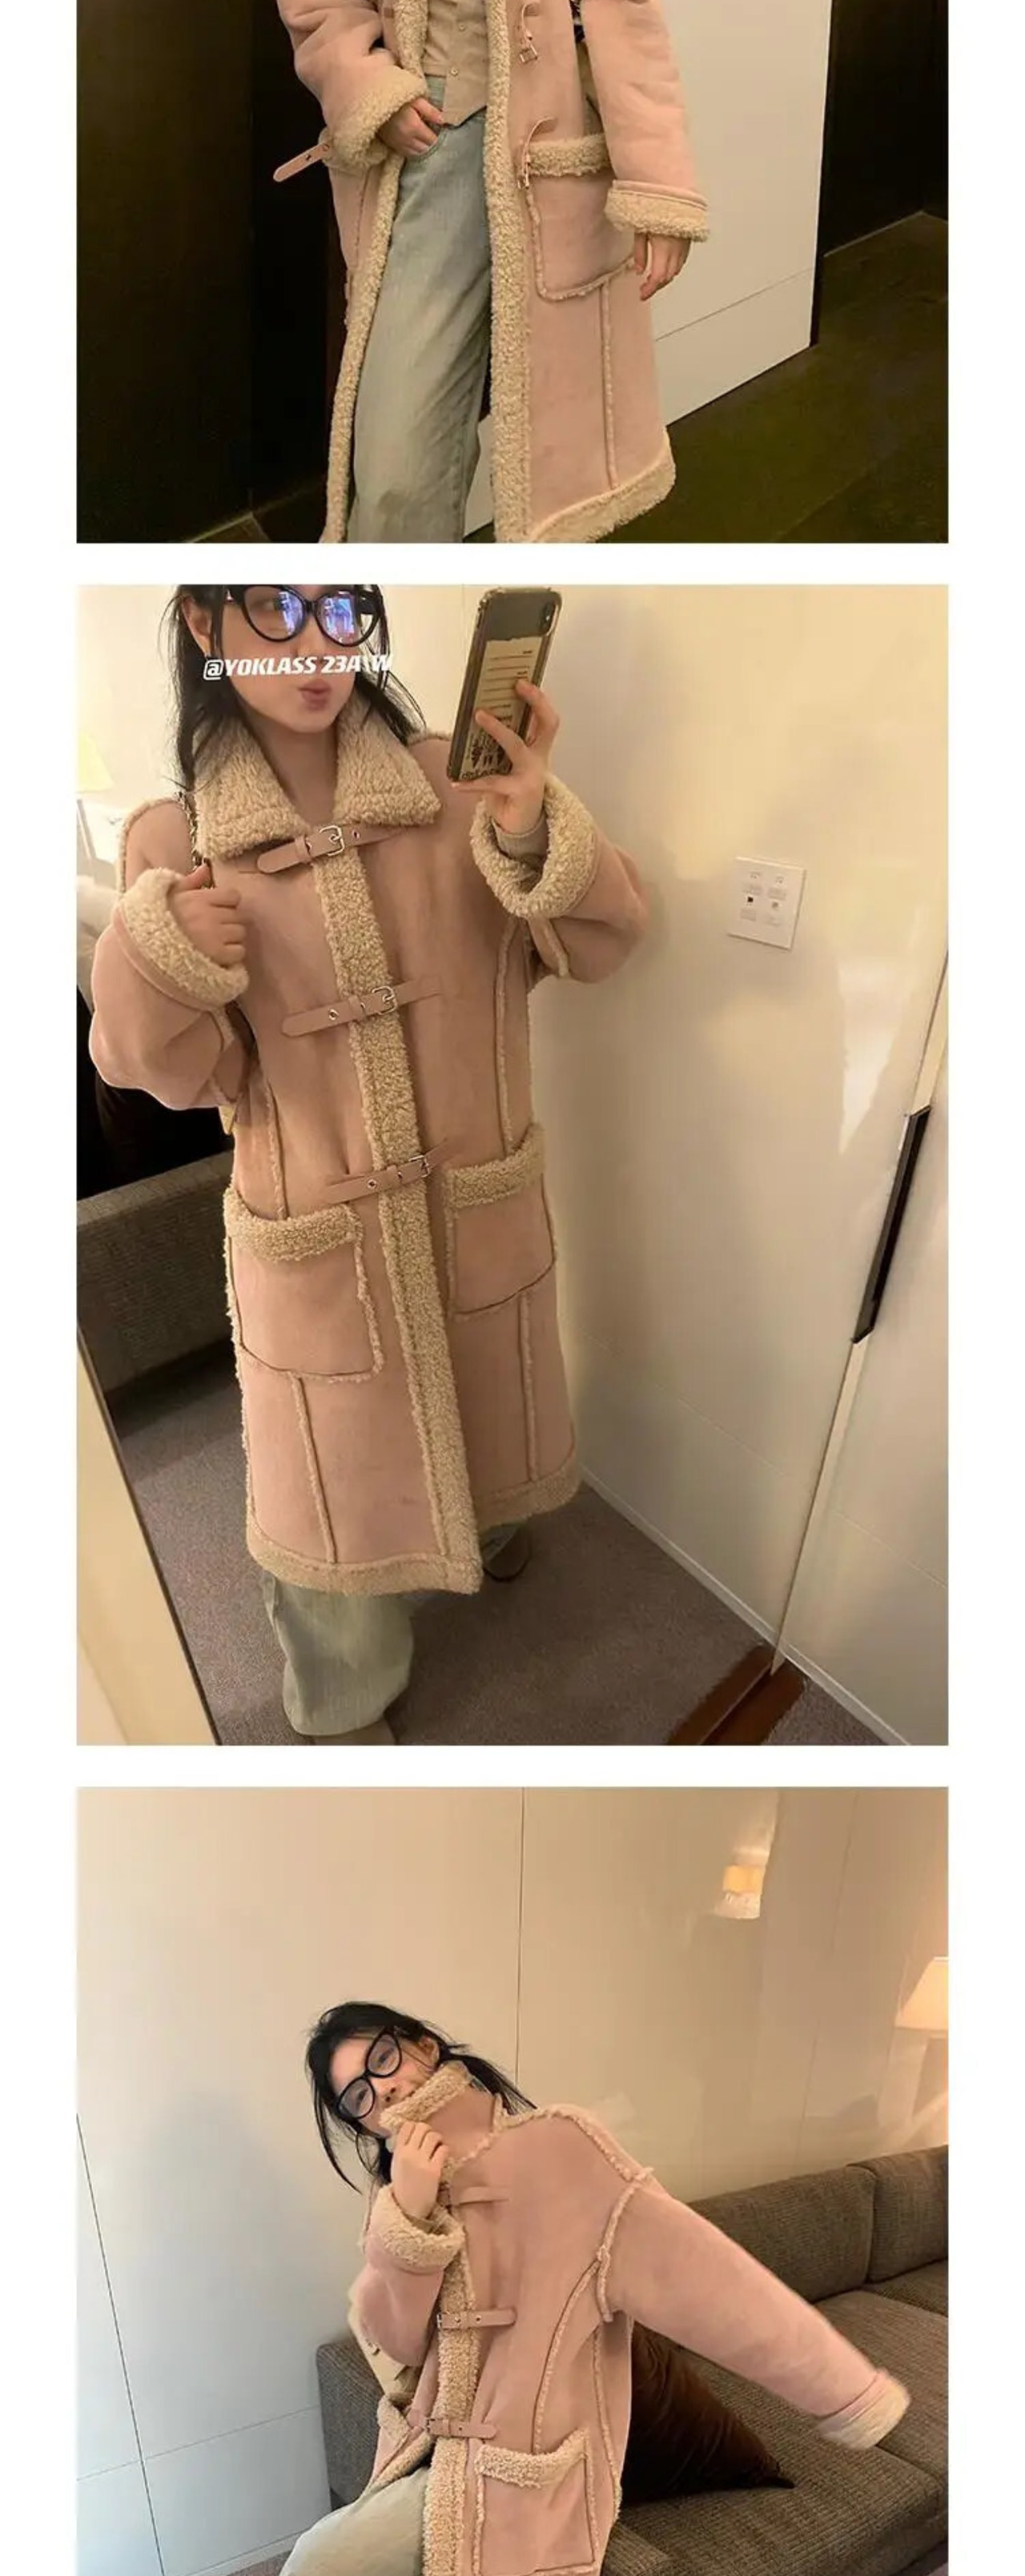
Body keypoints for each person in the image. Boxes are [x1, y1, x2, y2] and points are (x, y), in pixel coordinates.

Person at [132, 2007, 910, 2576]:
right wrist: (406, 2217)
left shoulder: (564, 2153)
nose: (380, 2089)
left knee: (319, 2565)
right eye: (355, 2097)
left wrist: (847, 2392)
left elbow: (716, 2285)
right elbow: (392, 2343)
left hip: (521, 2481)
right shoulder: (400, 2191)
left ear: (424, 2045)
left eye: (382, 2058)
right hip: (429, 2454)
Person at [89, 584, 647, 1741]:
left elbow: (602, 944)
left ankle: (488, 1522)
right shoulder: (172, 840)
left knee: (488, 1396)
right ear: (204, 627)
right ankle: (342, 1702)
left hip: (473, 1194)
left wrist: (529, 826)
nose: (318, 650)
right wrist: (165, 959)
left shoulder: (454, 780)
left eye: (344, 615)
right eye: (278, 613)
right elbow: (166, 1073)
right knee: (330, 1489)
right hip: (317, 1231)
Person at [274, 0, 708, 545]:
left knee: (550, 432)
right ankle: (398, 587)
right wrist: (373, 90)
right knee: (396, 453)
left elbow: (631, 35)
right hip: (423, 163)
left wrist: (659, 190)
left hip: (542, 177)